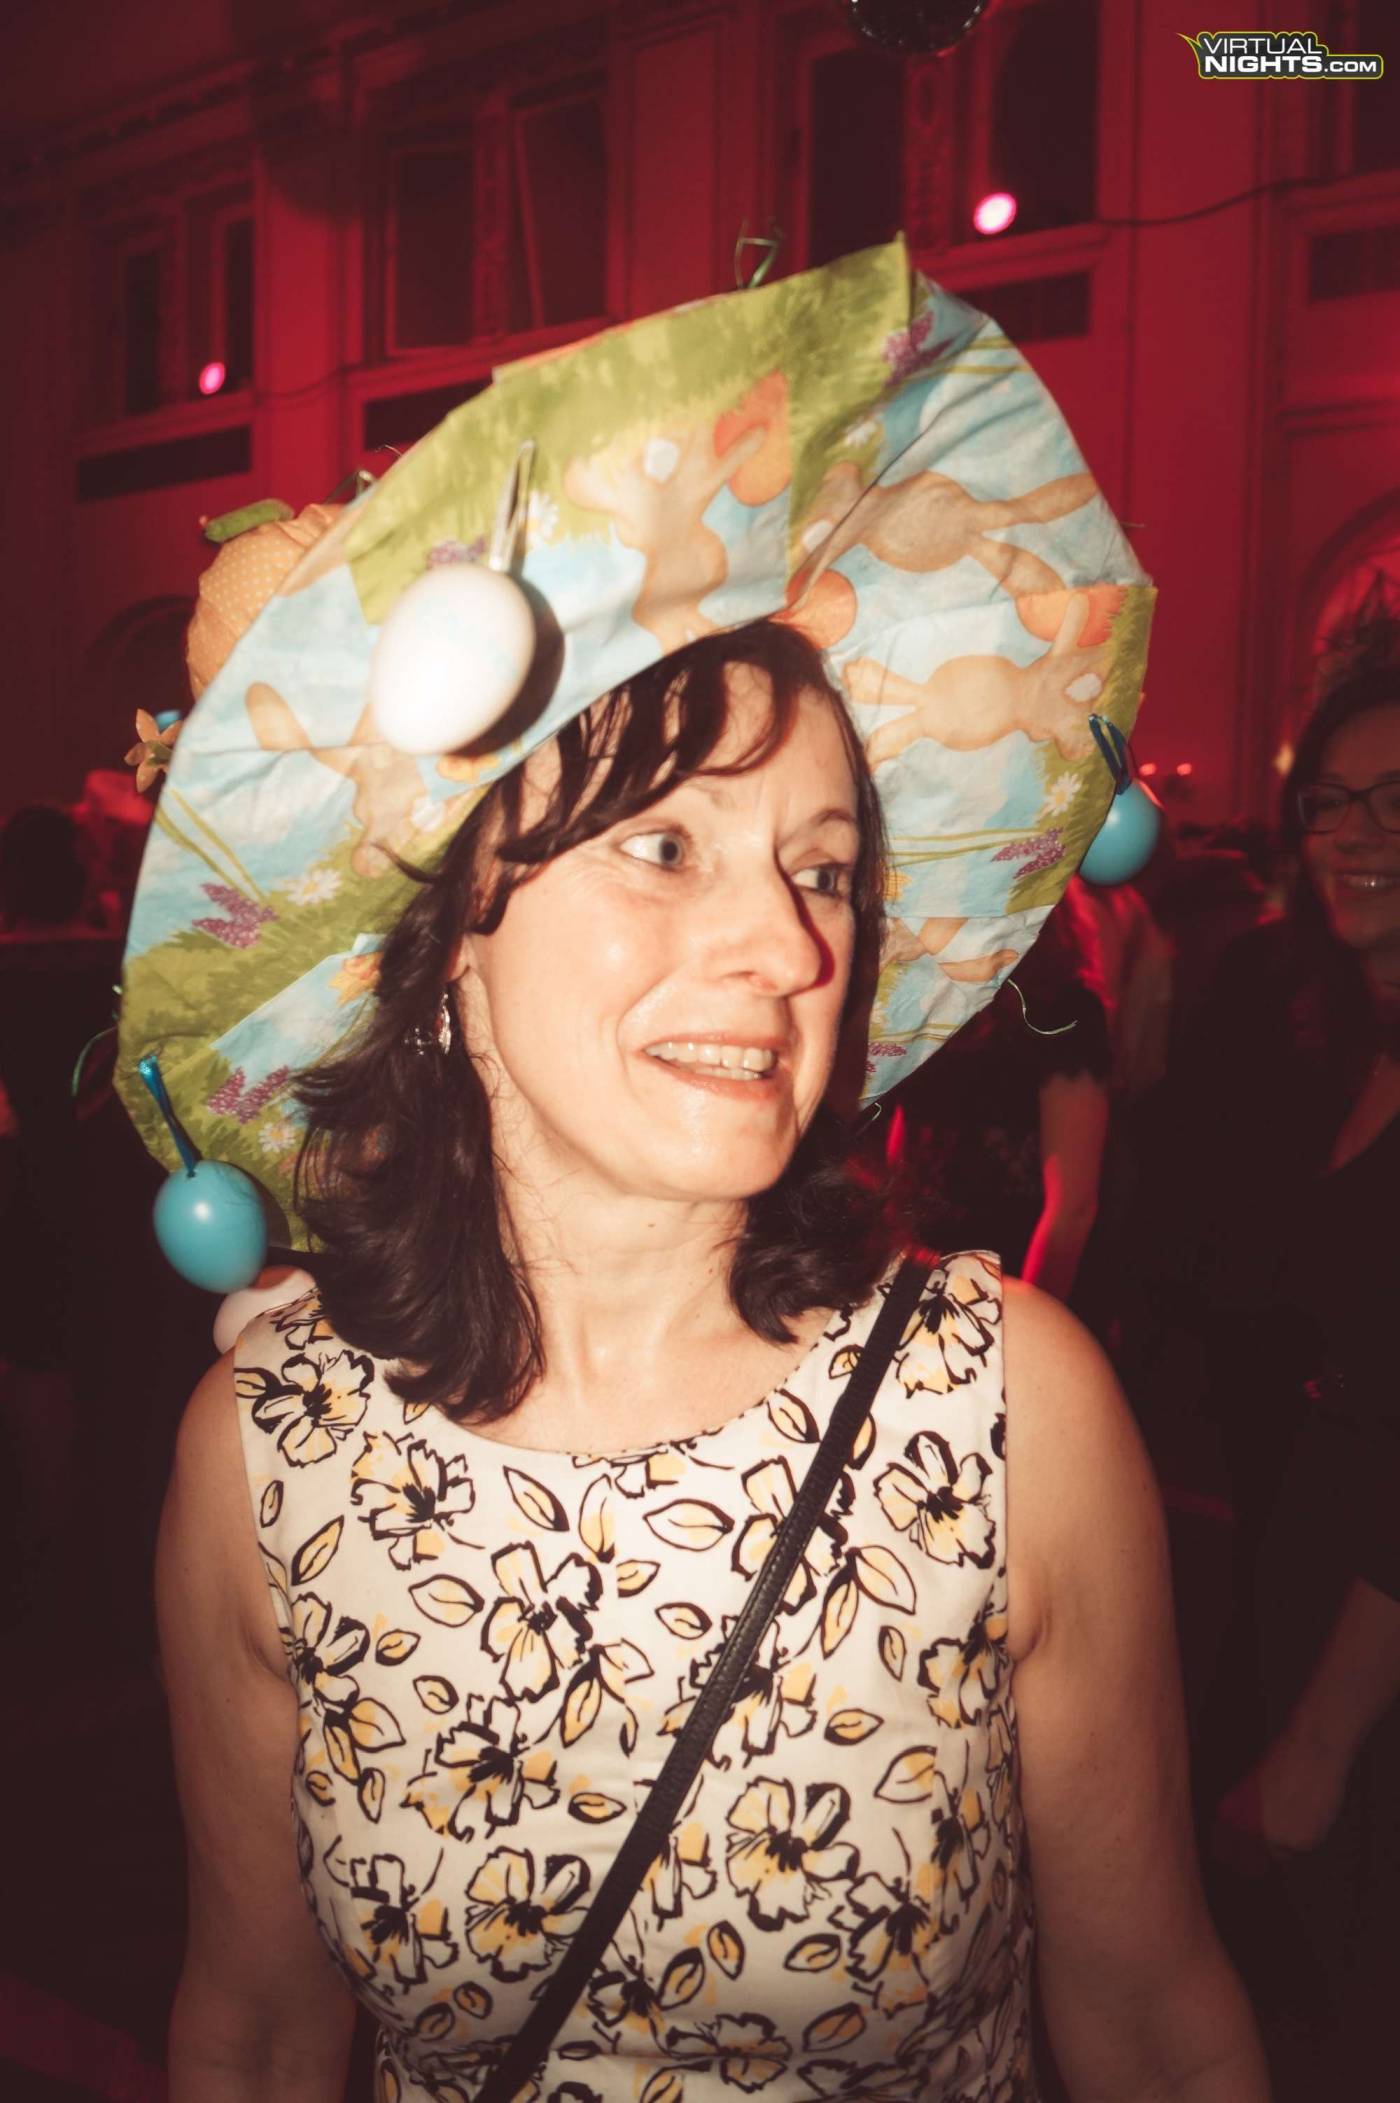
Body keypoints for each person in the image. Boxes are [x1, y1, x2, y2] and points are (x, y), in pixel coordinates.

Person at [119, 246, 1265, 2100]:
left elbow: (1151, 2016)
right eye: (663, 848)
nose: (793, 948)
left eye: (822, 870)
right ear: (455, 939)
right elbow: (251, 2024)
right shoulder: (268, 1462)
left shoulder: (1008, 1415)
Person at [1174, 627, 1399, 2097]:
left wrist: (1319, 1737)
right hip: (1295, 1542)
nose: (1353, 834)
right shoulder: (1329, 1022)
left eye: (1398, 800)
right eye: (1329, 800)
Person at [879, 881, 1112, 1303]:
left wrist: (1021, 1319)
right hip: (922, 1266)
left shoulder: (1060, 1012)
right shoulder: (934, 997)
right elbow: (908, 1137)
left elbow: (1072, 1208)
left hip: (1007, 1271)